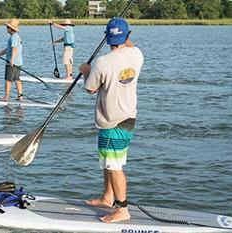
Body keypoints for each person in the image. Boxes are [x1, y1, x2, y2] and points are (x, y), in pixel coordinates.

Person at [79, 17, 144, 223]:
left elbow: (90, 89)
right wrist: (126, 35)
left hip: (112, 120)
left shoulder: (102, 62)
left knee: (114, 165)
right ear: (127, 36)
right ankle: (107, 198)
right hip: (129, 117)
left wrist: (85, 72)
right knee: (109, 162)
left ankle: (122, 209)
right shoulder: (137, 55)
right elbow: (129, 44)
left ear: (107, 38)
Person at [0, 18, 24, 101]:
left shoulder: (14, 37)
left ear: (11, 29)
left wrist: (11, 60)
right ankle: (20, 97)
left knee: (8, 79)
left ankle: (6, 97)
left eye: (7, 27)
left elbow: (14, 49)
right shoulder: (15, 36)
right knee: (17, 79)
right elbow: (8, 49)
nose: (6, 28)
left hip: (12, 62)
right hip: (18, 62)